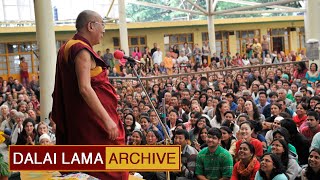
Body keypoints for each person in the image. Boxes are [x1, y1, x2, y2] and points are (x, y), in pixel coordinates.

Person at [52, 10, 128, 180]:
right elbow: (85, 88)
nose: (104, 30)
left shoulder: (67, 47)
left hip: (81, 119)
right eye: (102, 25)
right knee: (110, 164)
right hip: (93, 121)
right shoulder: (81, 50)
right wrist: (107, 120)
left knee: (88, 164)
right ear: (91, 25)